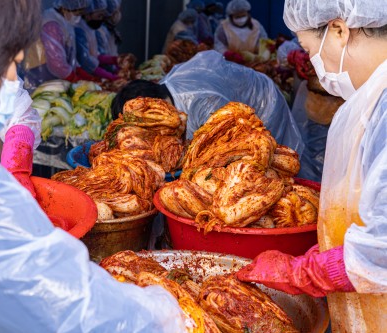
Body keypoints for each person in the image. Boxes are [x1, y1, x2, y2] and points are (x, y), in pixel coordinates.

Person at [0, 0, 188, 331]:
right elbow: (73, 311)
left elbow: (20, 108)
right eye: (10, 62)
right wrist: (169, 313)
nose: (14, 77)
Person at [237, 0, 387, 331]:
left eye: (308, 49)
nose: (315, 66)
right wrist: (324, 253)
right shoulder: (373, 99)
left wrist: (304, 273)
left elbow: (384, 248)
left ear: (338, 30)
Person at [112, 51, 304, 156]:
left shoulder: (203, 104)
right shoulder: (164, 93)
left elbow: (232, 144)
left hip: (264, 102)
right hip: (237, 92)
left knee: (265, 155)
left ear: (154, 105)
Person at [23, 0, 97, 87]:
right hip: (39, 81)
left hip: (52, 82)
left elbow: (70, 58)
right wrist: (76, 80)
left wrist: (88, 78)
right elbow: (56, 64)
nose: (79, 17)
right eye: (77, 12)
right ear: (65, 7)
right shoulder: (52, 23)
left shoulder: (64, 22)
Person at [75, 0, 119, 81]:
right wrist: (109, 76)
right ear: (88, 15)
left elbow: (95, 56)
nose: (101, 19)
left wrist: (114, 60)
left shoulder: (90, 29)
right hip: (83, 78)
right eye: (99, 16)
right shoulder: (79, 30)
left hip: (92, 77)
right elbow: (86, 62)